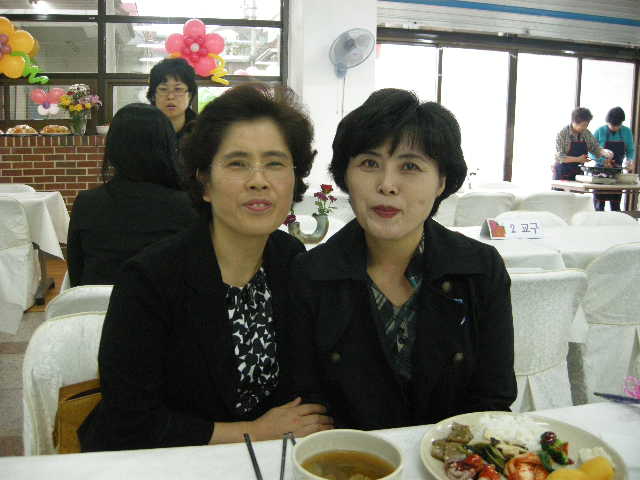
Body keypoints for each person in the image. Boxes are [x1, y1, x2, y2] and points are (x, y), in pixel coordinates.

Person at [78, 84, 332, 451]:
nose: (259, 180)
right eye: (237, 163)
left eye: (275, 163)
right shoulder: (150, 279)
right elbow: (130, 421)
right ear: (205, 183)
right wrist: (252, 432)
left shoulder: (290, 258)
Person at [287, 89, 516, 431]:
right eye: (369, 164)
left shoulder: (480, 269)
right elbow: (307, 406)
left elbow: (493, 397)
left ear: (441, 182)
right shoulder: (310, 275)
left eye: (410, 166)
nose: (387, 185)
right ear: (346, 176)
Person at [67, 103, 197, 287]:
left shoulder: (86, 203)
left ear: (113, 148)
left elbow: (76, 277)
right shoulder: (187, 205)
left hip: (95, 304)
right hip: (166, 305)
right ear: (167, 147)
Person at [590, 107, 636, 211]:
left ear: (622, 123)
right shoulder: (599, 131)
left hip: (617, 171)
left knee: (616, 206)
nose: (614, 128)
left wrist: (630, 160)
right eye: (612, 125)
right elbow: (590, 151)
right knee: (599, 206)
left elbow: (630, 150)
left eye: (617, 125)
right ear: (607, 122)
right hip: (599, 172)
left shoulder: (627, 132)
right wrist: (602, 160)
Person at [146, 57, 198, 143]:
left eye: (178, 89)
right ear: (153, 95)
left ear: (189, 95)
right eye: (163, 89)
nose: (170, 96)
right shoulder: (141, 129)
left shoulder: (202, 130)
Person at [553, 107, 611, 182]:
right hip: (562, 174)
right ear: (574, 122)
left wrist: (604, 153)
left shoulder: (586, 133)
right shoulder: (562, 134)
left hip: (578, 174)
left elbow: (595, 148)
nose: (585, 127)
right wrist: (578, 159)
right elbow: (559, 157)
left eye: (587, 125)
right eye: (583, 125)